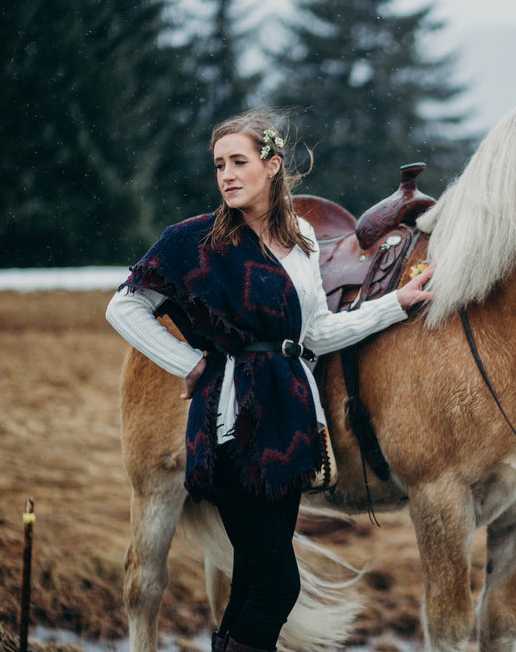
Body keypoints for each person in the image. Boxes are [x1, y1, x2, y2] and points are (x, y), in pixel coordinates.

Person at [105, 109, 434, 652]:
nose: (227, 175)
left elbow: (318, 331)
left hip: (288, 424)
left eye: (239, 162)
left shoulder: (302, 238)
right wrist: (186, 361)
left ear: (274, 165)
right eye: (219, 166)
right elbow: (125, 307)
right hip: (232, 423)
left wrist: (395, 305)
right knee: (280, 587)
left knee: (254, 583)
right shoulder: (193, 240)